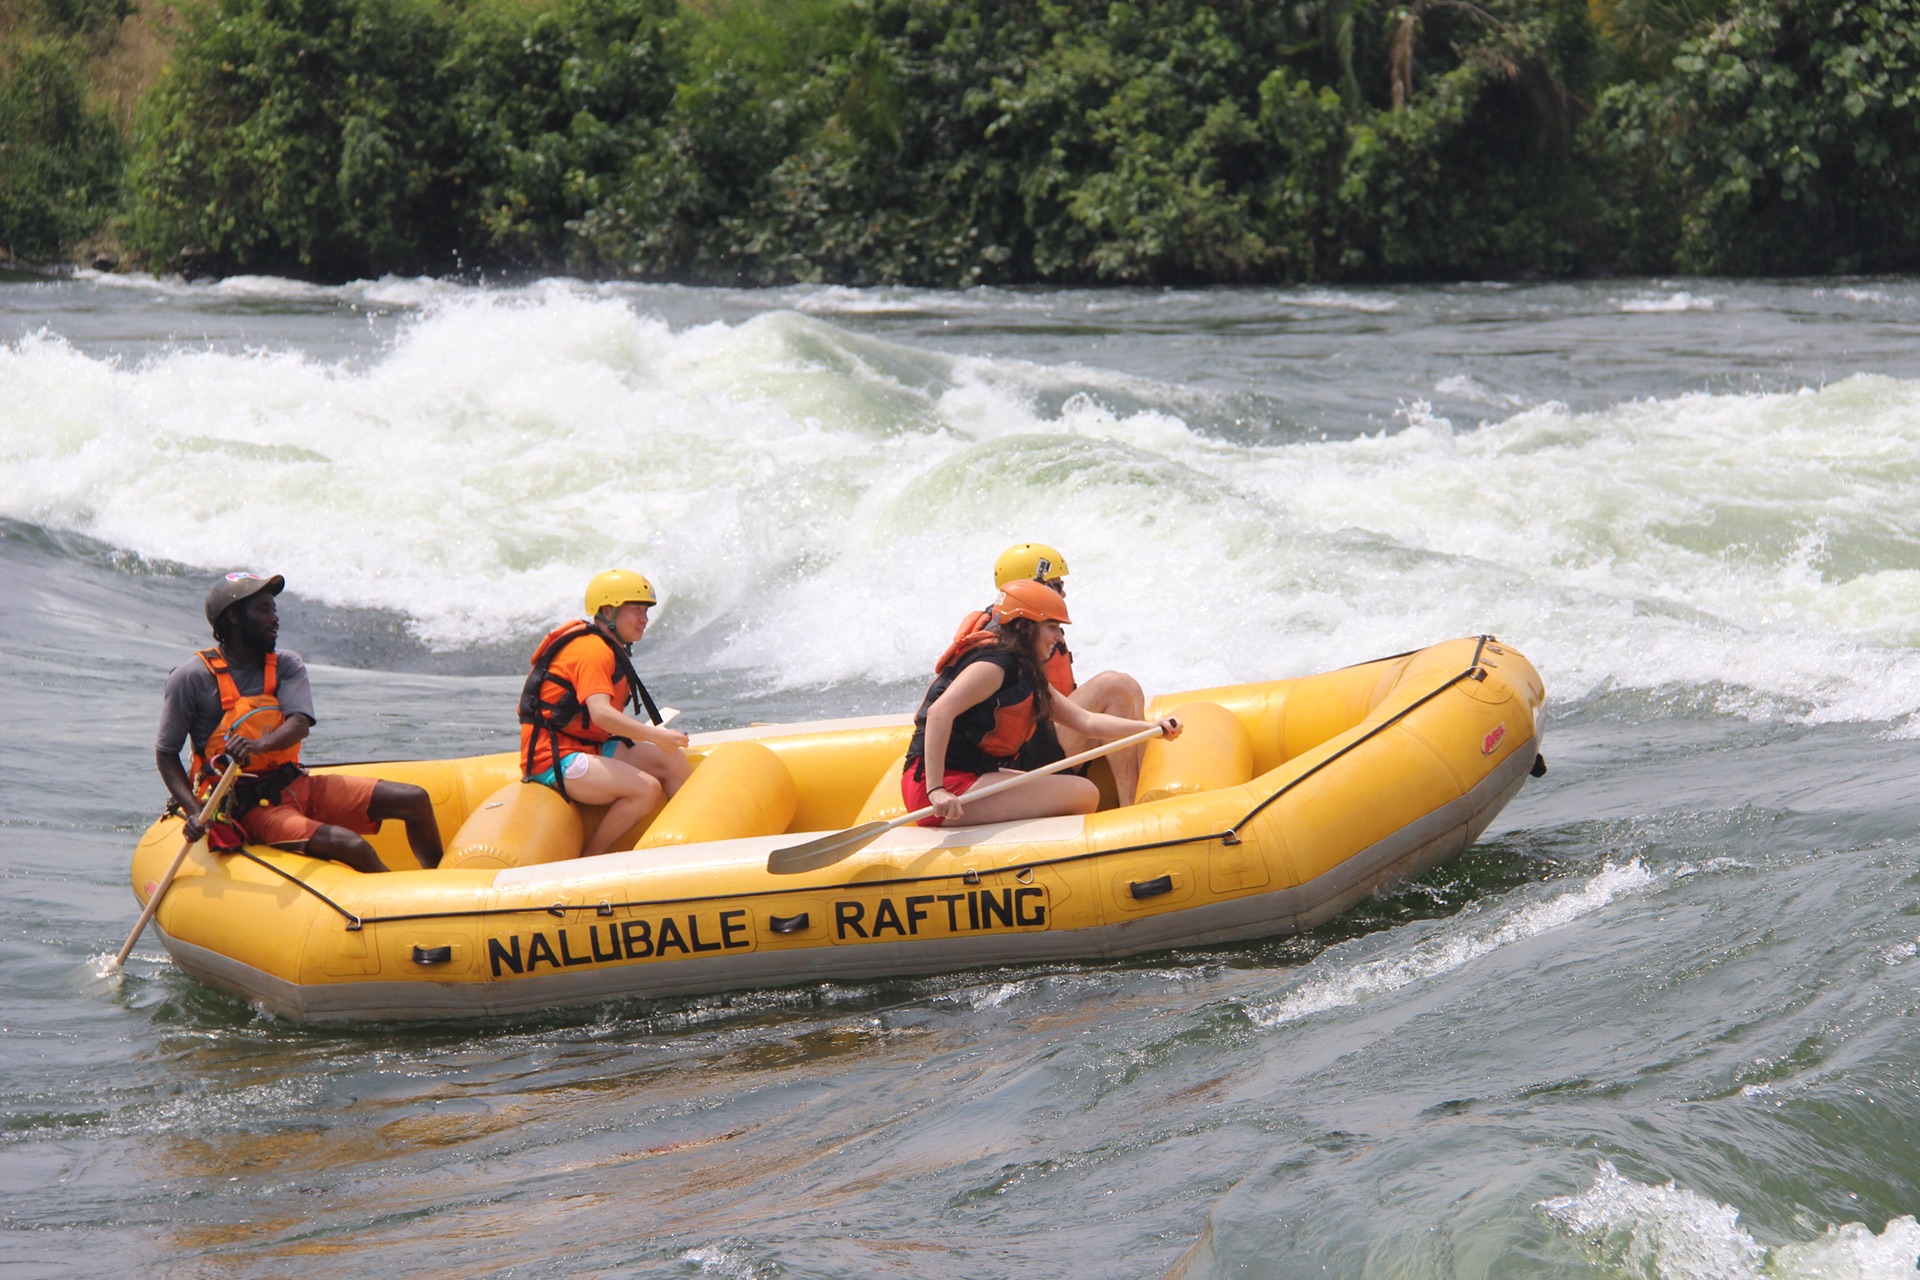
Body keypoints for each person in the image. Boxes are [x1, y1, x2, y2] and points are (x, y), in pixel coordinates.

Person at [156, 572, 443, 873]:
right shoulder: (191, 678)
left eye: (274, 609)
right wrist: (193, 810)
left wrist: (256, 746)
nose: (275, 618)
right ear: (234, 618)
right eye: (264, 610)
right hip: (247, 807)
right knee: (353, 846)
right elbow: (166, 754)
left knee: (415, 800)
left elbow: (299, 724)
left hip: (296, 784)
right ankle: (396, 909)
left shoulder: (285, 664)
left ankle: (439, 888)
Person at [905, 579, 1180, 827]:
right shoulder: (994, 665)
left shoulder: (1024, 669)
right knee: (1083, 793)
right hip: (943, 789)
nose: (1059, 638)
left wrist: (1150, 727)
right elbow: (940, 712)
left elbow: (1087, 722)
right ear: (1025, 627)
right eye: (1052, 627)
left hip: (972, 777)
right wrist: (936, 789)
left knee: (1081, 791)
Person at [947, 542, 1156, 804]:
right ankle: (1132, 807)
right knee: (1115, 686)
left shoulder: (1027, 624)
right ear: (1030, 586)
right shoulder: (1006, 639)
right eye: (1056, 586)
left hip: (1044, 738)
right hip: (1020, 758)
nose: (1063, 594)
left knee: (1124, 690)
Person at [519, 569, 691, 856]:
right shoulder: (592, 651)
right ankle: (590, 858)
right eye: (636, 610)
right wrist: (655, 736)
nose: (644, 619)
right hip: (554, 758)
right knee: (645, 789)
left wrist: (660, 743)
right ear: (609, 611)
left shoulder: (609, 646)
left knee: (671, 761)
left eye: (646, 611)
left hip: (589, 745)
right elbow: (601, 715)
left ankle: (690, 840)